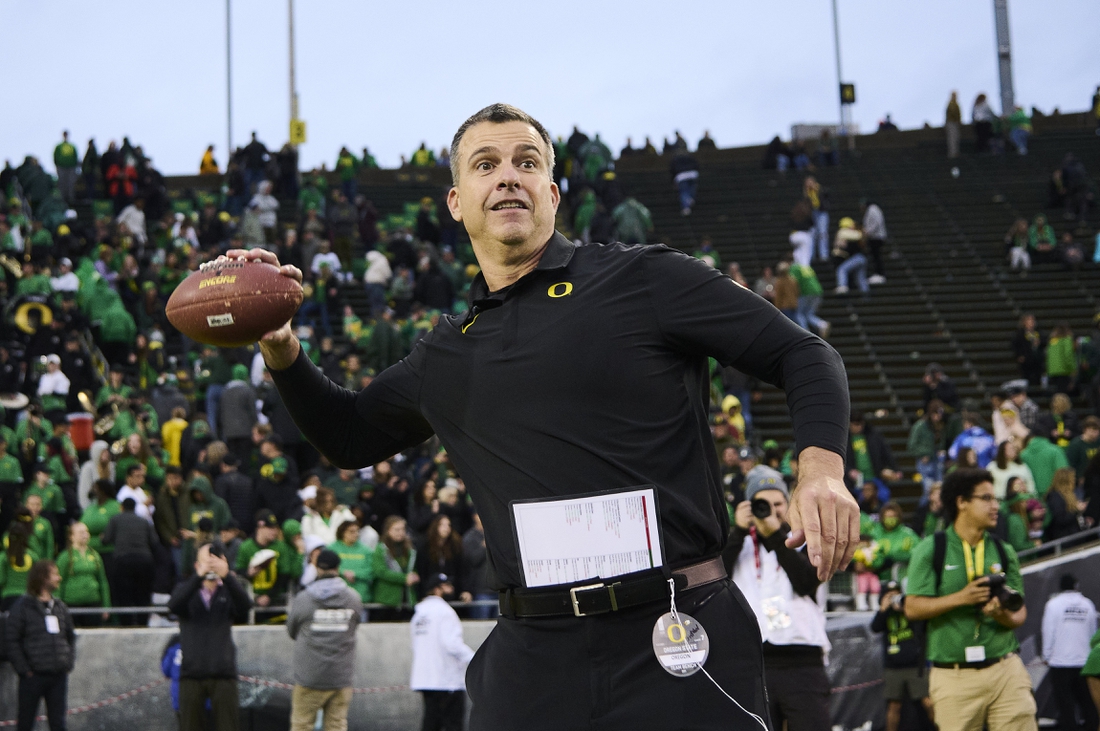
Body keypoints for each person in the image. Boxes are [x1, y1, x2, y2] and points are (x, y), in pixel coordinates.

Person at [233, 102, 856, 731]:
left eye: (526, 162)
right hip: (533, 658)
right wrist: (282, 346)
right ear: (456, 201)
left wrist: (821, 469)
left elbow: (802, 353)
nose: (508, 175)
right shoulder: (445, 353)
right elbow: (346, 434)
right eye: (486, 164)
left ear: (552, 195)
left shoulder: (644, 280)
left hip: (677, 636)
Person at [904, 468, 1034, 731]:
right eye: (986, 498)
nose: (995, 506)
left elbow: (1020, 615)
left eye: (995, 499)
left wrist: (1001, 614)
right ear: (961, 502)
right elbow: (913, 608)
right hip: (954, 674)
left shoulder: (1003, 550)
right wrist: (962, 598)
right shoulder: (931, 548)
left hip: (1005, 667)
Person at [727, 466, 832, 731]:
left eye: (778, 504)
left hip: (802, 662)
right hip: (753, 664)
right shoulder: (737, 545)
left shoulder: (808, 542)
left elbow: (806, 582)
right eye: (763, 505)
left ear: (789, 505)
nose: (771, 511)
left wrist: (775, 535)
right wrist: (737, 532)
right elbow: (718, 579)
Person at [167, 543, 252, 731]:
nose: (211, 566)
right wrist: (198, 578)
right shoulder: (186, 589)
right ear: (197, 565)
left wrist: (227, 576)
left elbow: (245, 607)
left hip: (223, 673)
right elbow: (173, 606)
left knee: (228, 726)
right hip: (191, 673)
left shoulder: (228, 591)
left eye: (215, 562)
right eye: (207, 562)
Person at [287, 548, 363, 731]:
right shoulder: (353, 598)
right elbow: (355, 626)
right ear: (338, 567)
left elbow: (291, 630)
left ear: (316, 567)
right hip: (340, 676)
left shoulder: (304, 599)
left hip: (309, 677)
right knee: (336, 725)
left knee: (302, 725)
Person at [4, 560, 75, 731]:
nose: (59, 578)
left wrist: (67, 662)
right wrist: (25, 670)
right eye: (55, 574)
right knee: (26, 723)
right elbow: (11, 639)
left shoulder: (60, 607)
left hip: (58, 675)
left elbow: (70, 637)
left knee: (58, 724)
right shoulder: (22, 607)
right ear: (43, 578)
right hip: (32, 676)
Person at [410, 578, 476, 731]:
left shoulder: (419, 614)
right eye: (447, 586)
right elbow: (452, 644)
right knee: (452, 725)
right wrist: (475, 659)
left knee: (431, 724)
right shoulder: (445, 612)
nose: (451, 589)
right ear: (437, 589)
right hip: (447, 680)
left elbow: (415, 645)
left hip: (425, 679)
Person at [871, 580, 934, 731]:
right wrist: (883, 609)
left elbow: (921, 627)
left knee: (927, 701)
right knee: (894, 705)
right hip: (893, 667)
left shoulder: (909, 610)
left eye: (896, 594)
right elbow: (875, 628)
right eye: (889, 595)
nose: (894, 598)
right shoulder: (885, 614)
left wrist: (906, 607)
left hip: (915, 665)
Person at [1041, 574, 1098, 731]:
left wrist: (1046, 655)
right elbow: (1093, 634)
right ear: (1076, 586)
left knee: (1066, 706)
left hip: (1060, 663)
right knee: (1088, 704)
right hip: (1084, 662)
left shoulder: (1053, 605)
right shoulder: (1088, 605)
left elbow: (1048, 631)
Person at [101, 497, 159, 625]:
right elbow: (154, 542)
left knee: (124, 595)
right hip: (144, 561)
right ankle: (142, 624)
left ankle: (126, 625)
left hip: (123, 561)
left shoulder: (115, 519)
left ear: (121, 507)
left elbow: (106, 540)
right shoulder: (144, 521)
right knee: (143, 595)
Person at [56, 522, 111, 627]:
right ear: (72, 536)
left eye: (86, 532)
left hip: (93, 602)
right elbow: (58, 582)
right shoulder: (65, 556)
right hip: (71, 604)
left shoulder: (95, 555)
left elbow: (102, 581)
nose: (85, 535)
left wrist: (106, 605)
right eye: (81, 532)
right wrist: (57, 607)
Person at [945, 92, 962, 159]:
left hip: (953, 123)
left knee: (955, 138)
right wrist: (957, 120)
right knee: (952, 139)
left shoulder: (954, 104)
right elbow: (954, 113)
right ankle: (952, 154)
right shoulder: (952, 104)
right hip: (952, 123)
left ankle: (954, 153)